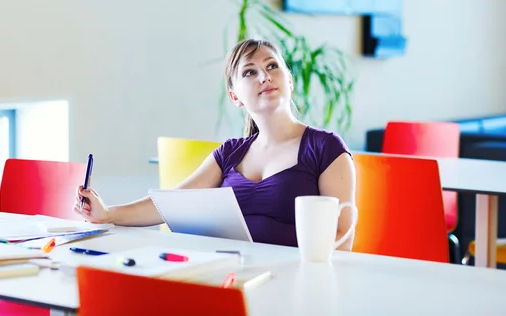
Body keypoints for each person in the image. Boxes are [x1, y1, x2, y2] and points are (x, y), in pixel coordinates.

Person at [74, 38, 356, 249]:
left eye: (272, 66)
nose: (264, 76)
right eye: (249, 72)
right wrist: (107, 213)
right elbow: (170, 203)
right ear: (235, 97)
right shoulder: (229, 153)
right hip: (230, 277)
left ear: (289, 81)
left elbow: (342, 239)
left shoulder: (325, 148)